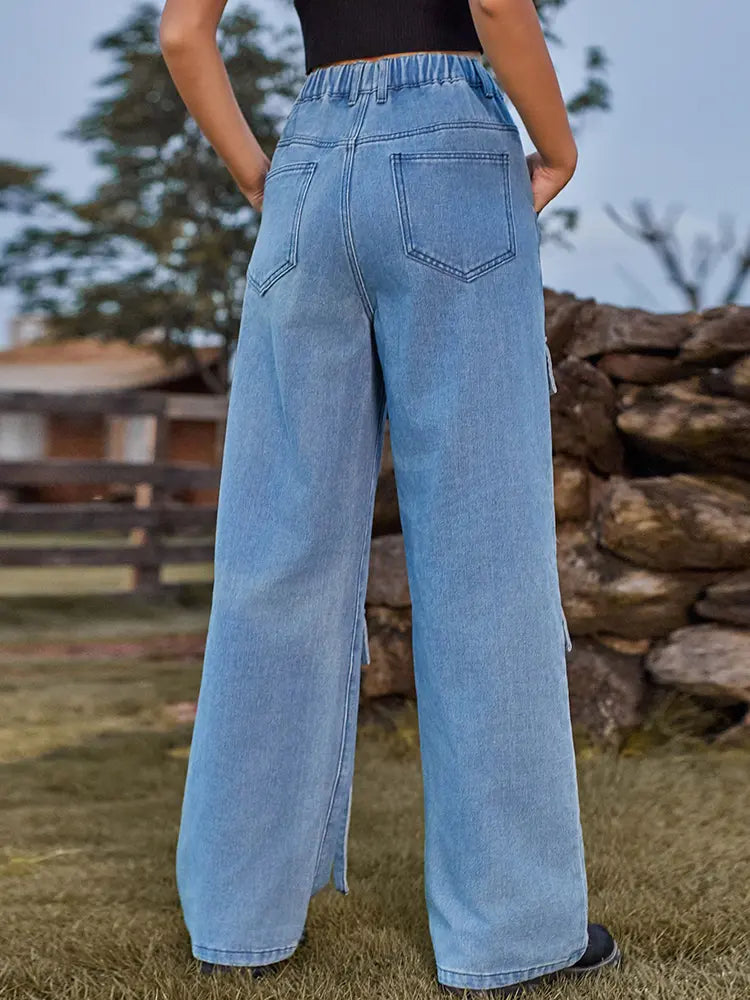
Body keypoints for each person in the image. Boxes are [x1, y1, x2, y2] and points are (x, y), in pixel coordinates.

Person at [159, 0, 622, 994]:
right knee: (483, 557)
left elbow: (183, 33)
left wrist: (262, 175)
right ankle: (509, 933)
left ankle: (238, 921)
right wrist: (557, 147)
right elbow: (493, 3)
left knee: (274, 558)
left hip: (308, 157)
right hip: (451, 145)